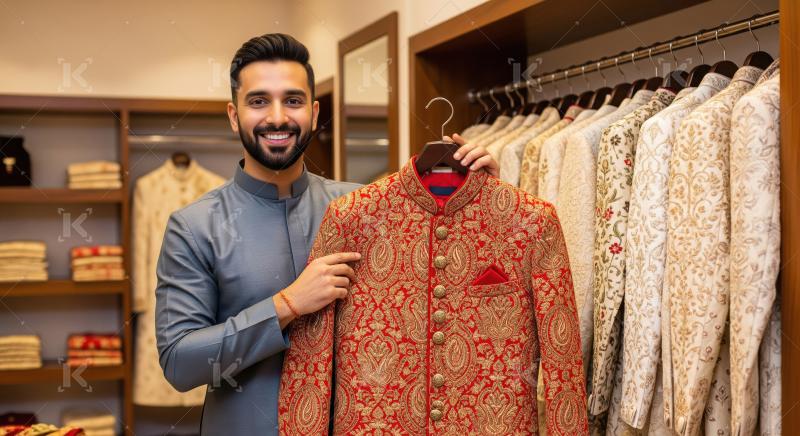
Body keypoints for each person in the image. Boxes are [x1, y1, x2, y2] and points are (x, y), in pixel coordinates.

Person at [154, 33, 499, 435]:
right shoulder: (194, 227)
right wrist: (286, 305)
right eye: (259, 101)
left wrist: (482, 204)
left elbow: (448, 299)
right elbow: (180, 363)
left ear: (314, 112)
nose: (278, 118)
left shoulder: (365, 209)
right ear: (234, 115)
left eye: (293, 100)